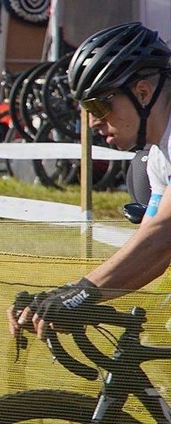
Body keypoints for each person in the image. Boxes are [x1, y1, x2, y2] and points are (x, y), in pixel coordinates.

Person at [10, 22, 171, 339]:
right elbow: (153, 250)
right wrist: (67, 294)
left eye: (100, 105)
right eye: (86, 108)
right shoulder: (158, 159)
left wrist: (83, 293)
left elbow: (161, 238)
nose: (94, 121)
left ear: (142, 92)